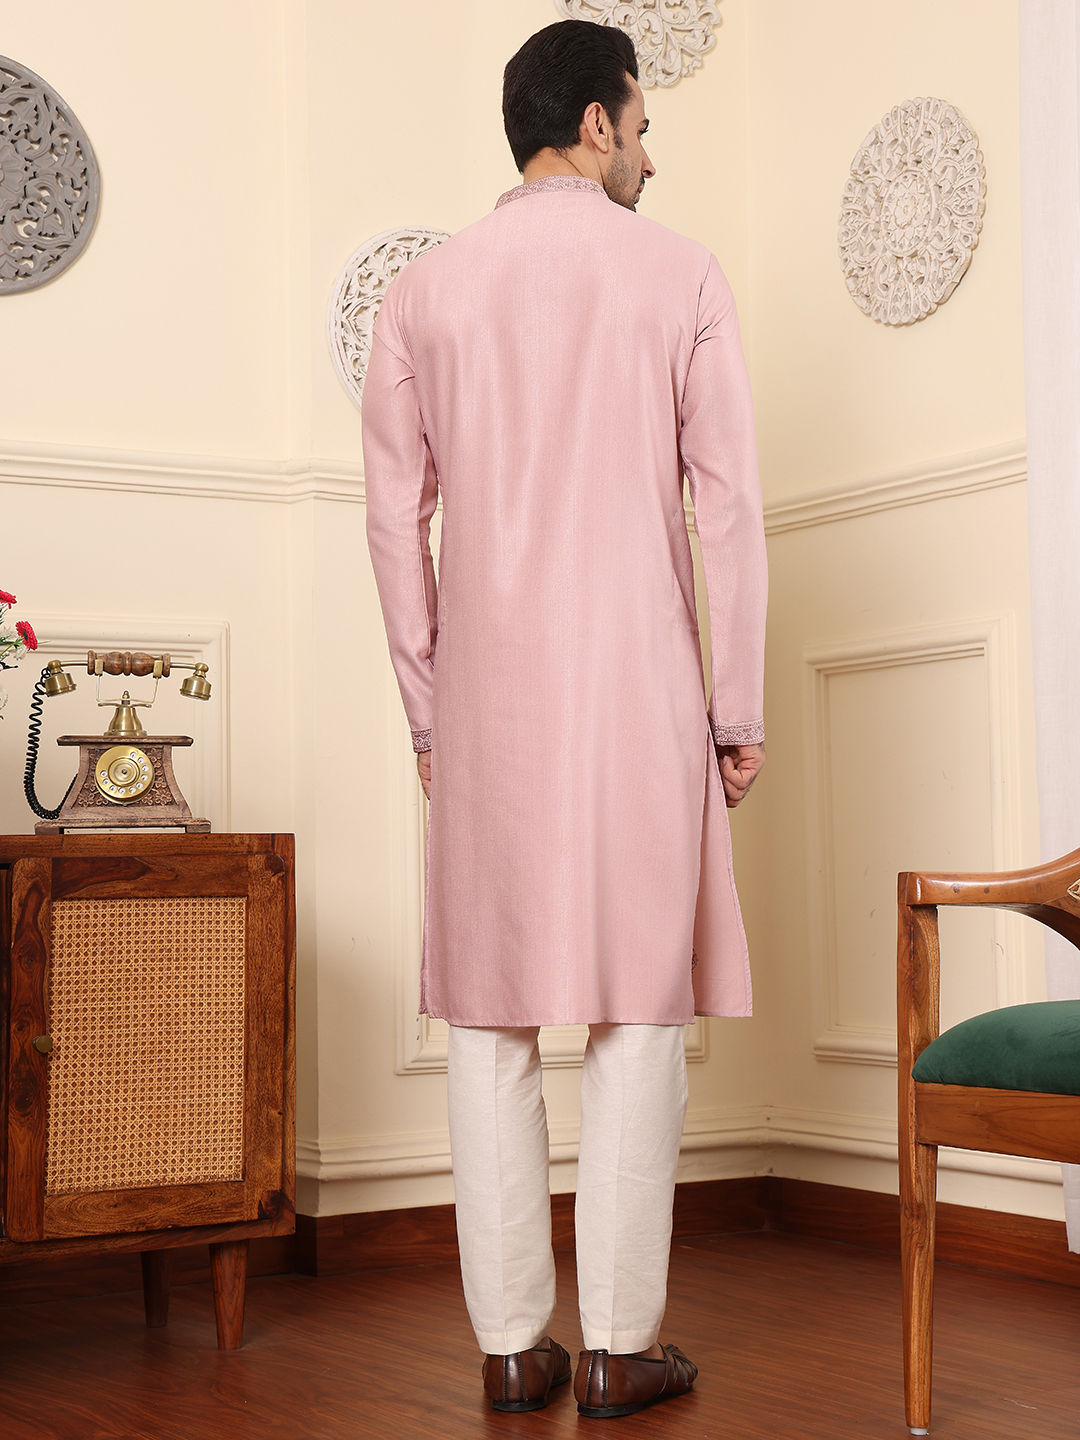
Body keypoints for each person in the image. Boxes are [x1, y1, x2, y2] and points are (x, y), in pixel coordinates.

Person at [362, 17, 767, 1421]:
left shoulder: (421, 295)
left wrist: (430, 713)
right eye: (643, 127)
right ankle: (618, 1345)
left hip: (485, 704)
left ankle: (509, 1346)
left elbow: (394, 526)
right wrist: (735, 707)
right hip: (640, 692)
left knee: (488, 1018)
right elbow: (729, 510)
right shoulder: (681, 273)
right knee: (637, 1010)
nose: (650, 155)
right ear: (595, 124)